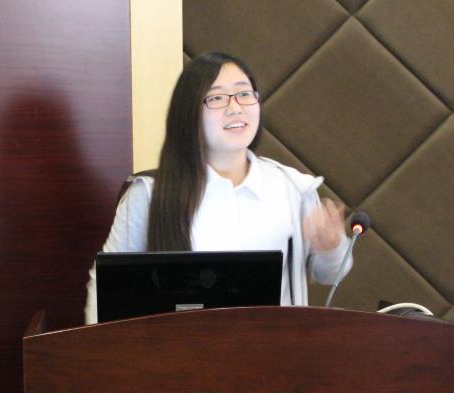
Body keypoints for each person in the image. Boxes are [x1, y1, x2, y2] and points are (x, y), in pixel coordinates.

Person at [84, 51, 352, 324]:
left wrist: (331, 247)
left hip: (274, 347)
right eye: (217, 98)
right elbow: (107, 286)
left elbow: (329, 274)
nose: (235, 107)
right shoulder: (150, 195)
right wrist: (99, 346)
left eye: (244, 94)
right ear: (189, 113)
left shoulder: (293, 187)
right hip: (181, 347)